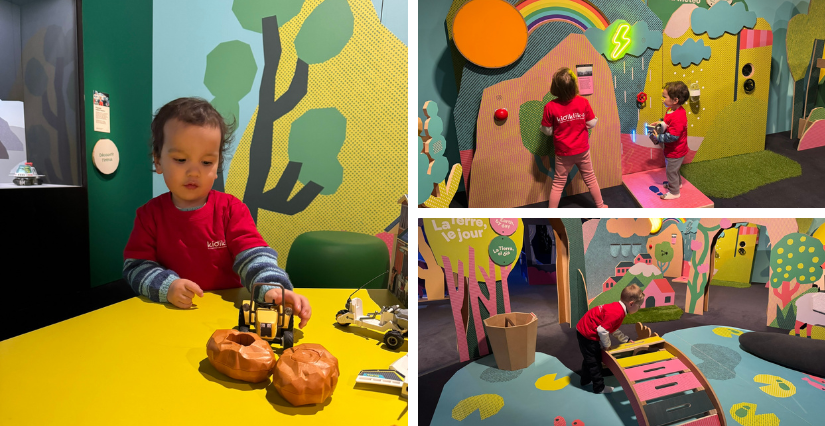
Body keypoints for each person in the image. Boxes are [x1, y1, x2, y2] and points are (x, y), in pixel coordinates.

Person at [122, 97, 312, 328]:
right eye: (180, 159)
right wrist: (167, 286)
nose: (194, 172)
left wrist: (271, 288)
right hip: (171, 316)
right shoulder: (149, 215)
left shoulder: (231, 210)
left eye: (206, 162)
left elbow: (254, 255)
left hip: (227, 319)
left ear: (218, 164)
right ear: (158, 160)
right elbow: (136, 267)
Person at [540, 67, 607, 208]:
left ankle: (552, 214)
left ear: (555, 87)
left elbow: (547, 131)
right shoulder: (583, 102)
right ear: (574, 86)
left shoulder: (550, 107)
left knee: (558, 183)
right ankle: (601, 206)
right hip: (582, 150)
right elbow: (591, 123)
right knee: (590, 178)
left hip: (563, 153)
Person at [576, 284, 645, 393]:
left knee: (589, 358)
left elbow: (612, 328)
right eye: (639, 305)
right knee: (595, 361)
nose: (639, 308)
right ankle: (599, 387)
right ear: (631, 304)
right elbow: (602, 330)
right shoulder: (617, 313)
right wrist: (607, 346)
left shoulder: (617, 308)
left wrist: (626, 340)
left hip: (583, 329)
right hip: (587, 333)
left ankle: (585, 380)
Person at [649, 81, 690, 200]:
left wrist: (658, 137)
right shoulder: (672, 110)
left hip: (676, 151)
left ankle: (674, 192)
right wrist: (661, 122)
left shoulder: (679, 116)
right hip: (673, 150)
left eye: (665, 97)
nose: (662, 99)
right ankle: (677, 184)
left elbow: (673, 136)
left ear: (675, 100)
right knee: (674, 170)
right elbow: (668, 123)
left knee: (671, 171)